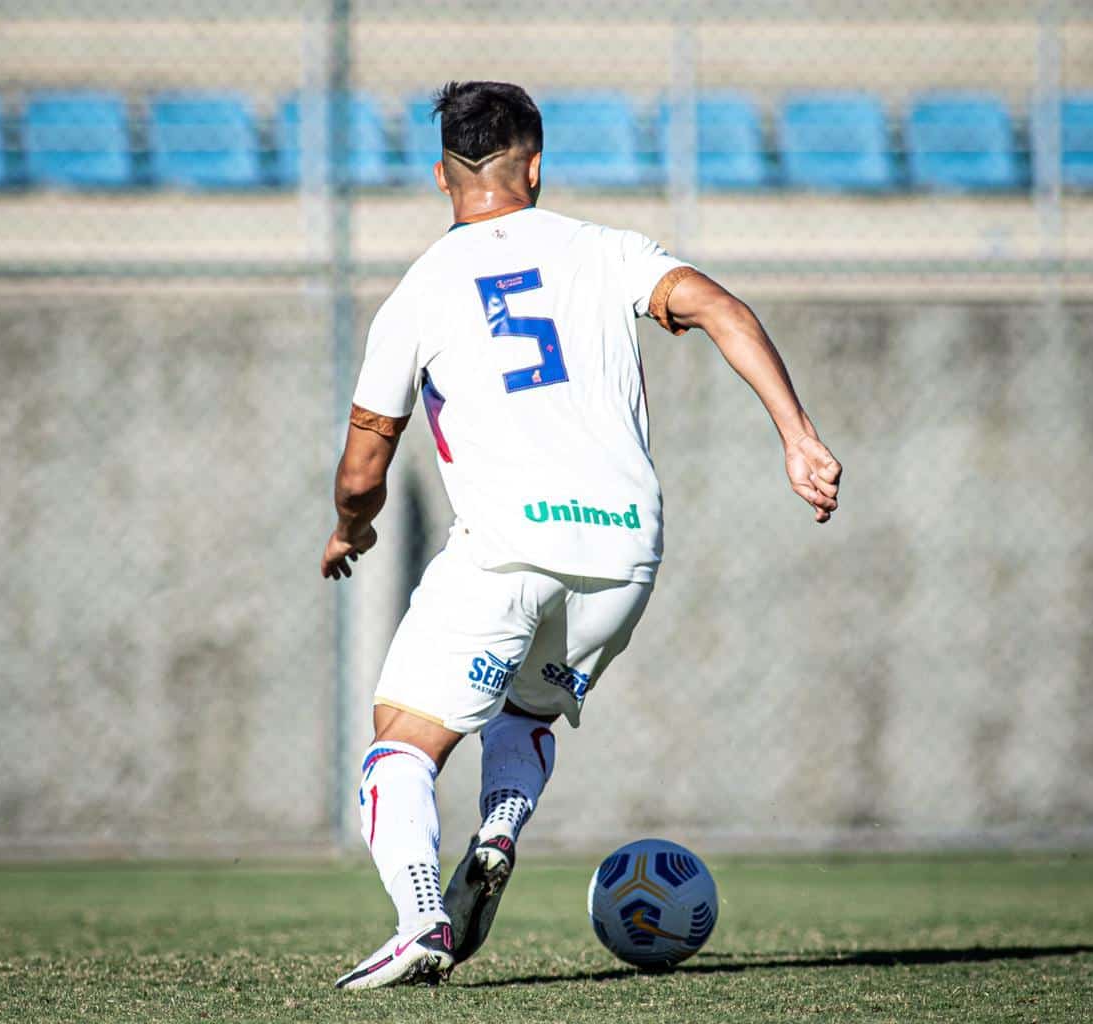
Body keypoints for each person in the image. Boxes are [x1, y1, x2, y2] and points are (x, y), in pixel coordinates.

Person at [322, 80, 842, 989]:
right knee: (524, 712)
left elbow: (366, 465)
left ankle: (420, 919)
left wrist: (348, 530)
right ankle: (498, 829)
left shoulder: (419, 291)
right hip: (622, 555)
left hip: (505, 551)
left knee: (401, 743)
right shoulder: (607, 252)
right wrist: (798, 437)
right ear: (535, 167)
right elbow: (721, 306)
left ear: (442, 177)